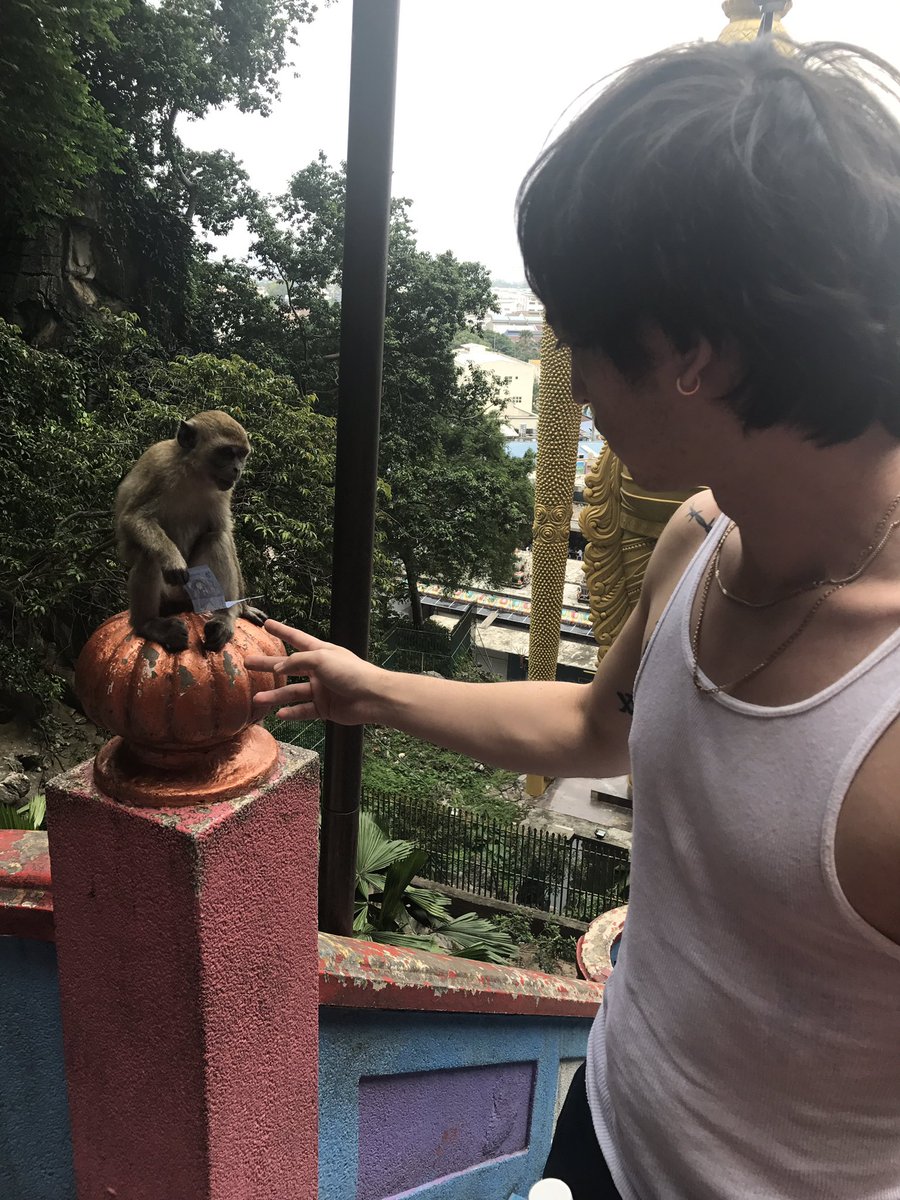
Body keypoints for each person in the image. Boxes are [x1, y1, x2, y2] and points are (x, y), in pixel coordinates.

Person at [247, 37, 900, 1200]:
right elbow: (604, 722)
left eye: (575, 335)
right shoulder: (701, 538)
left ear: (690, 354)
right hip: (601, 1128)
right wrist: (366, 688)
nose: (573, 379)